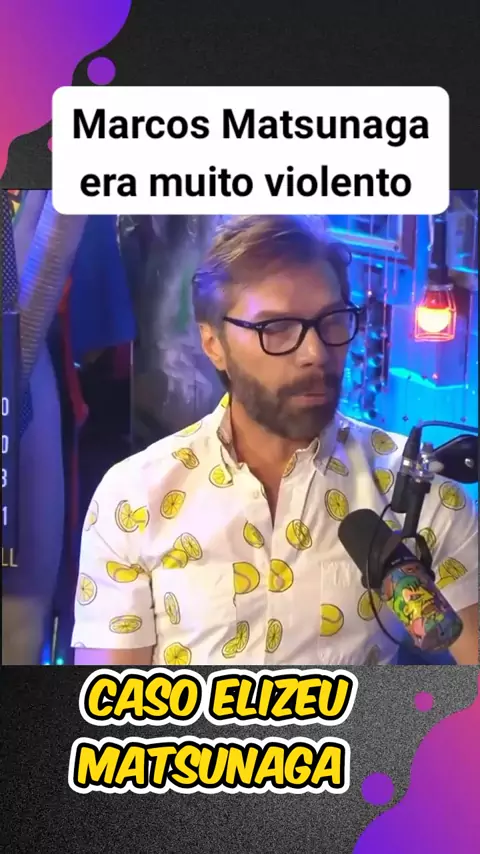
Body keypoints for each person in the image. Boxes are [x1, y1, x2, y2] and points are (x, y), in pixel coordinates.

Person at [72, 215, 478, 666]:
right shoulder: (133, 497)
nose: (315, 353)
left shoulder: (420, 492)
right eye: (276, 328)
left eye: (333, 321)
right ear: (214, 343)